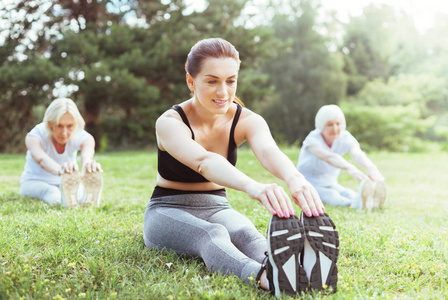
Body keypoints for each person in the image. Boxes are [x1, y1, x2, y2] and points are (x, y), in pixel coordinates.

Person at [143, 38, 340, 298]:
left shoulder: (246, 119)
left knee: (246, 233)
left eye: (230, 81)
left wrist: (294, 178)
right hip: (167, 210)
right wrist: (253, 186)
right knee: (212, 235)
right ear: (191, 82)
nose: (223, 92)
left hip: (217, 206)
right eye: (212, 81)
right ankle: (267, 279)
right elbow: (205, 161)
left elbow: (268, 150)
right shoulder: (169, 123)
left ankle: (296, 270)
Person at [296, 104, 387, 209]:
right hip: (308, 184)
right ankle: (352, 205)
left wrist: (371, 167)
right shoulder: (312, 139)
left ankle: (370, 201)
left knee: (348, 193)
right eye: (329, 124)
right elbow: (328, 157)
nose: (335, 128)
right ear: (321, 125)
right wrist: (350, 167)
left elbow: (357, 154)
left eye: (338, 124)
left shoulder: (344, 136)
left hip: (331, 183)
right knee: (331, 196)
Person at [20, 98, 103, 208]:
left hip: (67, 183)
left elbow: (87, 153)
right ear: (50, 124)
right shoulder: (35, 135)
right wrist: (62, 171)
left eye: (69, 126)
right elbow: (41, 159)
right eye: (59, 125)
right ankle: (63, 202)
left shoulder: (84, 137)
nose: (64, 132)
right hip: (34, 182)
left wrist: (87, 166)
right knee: (52, 192)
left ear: (76, 124)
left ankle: (87, 201)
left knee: (79, 192)